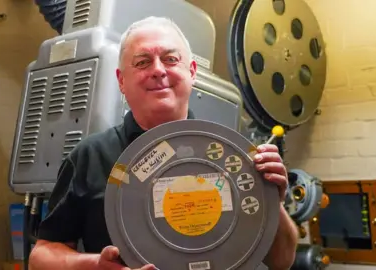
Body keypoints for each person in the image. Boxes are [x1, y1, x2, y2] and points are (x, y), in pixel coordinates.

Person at [29, 16, 298, 270]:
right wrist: (93, 264)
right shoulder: (90, 156)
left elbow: (282, 261)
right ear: (122, 81)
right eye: (143, 62)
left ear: (192, 72)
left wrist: (273, 200)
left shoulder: (233, 155)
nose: (158, 70)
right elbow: (40, 258)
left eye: (170, 59)